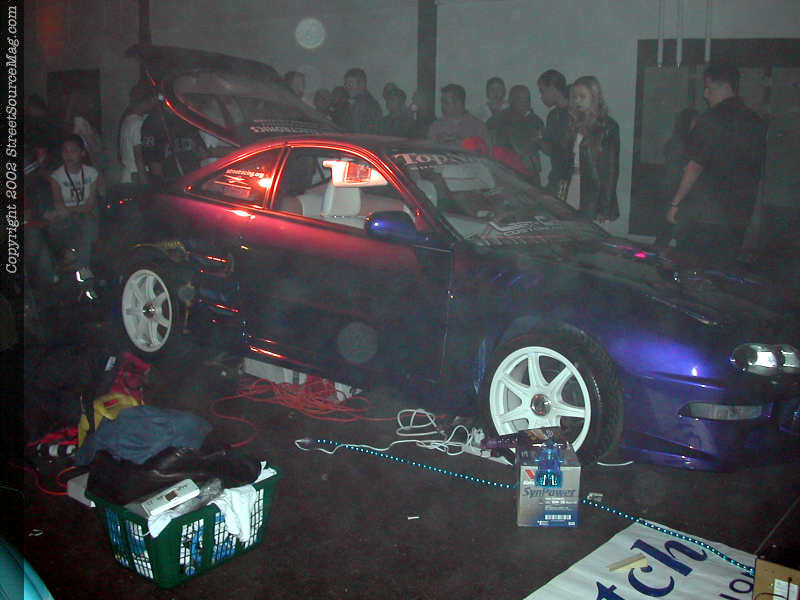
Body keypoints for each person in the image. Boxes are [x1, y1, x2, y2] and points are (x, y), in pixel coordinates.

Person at [666, 63, 767, 265]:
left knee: (692, 268)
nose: (705, 94)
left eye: (708, 87)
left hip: (704, 215)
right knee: (723, 271)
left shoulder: (711, 119)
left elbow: (695, 165)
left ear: (725, 86)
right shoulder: (755, 121)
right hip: (738, 215)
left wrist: (675, 203)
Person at [565, 76, 620, 223]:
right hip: (574, 184)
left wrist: (604, 207)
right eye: (574, 97)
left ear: (595, 98)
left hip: (594, 191)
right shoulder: (574, 123)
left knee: (589, 233)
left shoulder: (607, 127)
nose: (577, 101)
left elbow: (610, 171)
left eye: (582, 97)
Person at [47, 135, 102, 280]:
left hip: (84, 215)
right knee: (55, 226)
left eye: (73, 151)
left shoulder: (92, 173)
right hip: (67, 217)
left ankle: (82, 267)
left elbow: (90, 205)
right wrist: (74, 210)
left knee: (88, 226)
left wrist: (71, 210)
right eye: (65, 151)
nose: (69, 155)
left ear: (82, 153)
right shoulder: (56, 176)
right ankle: (64, 264)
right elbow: (59, 205)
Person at [653, 108, 699, 250]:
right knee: (669, 232)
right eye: (695, 122)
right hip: (675, 192)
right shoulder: (678, 143)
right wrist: (675, 198)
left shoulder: (685, 142)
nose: (698, 125)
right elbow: (674, 171)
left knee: (671, 233)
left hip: (677, 192)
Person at [488, 84, 544, 184]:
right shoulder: (497, 120)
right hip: (507, 174)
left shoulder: (535, 120)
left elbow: (542, 145)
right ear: (510, 100)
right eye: (520, 99)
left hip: (531, 174)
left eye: (527, 99)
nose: (524, 103)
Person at [537, 69, 572, 195]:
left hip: (570, 180)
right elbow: (552, 151)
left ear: (552, 88)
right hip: (557, 179)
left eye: (542, 91)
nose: (541, 97)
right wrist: (538, 141)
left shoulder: (575, 114)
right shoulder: (553, 115)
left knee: (563, 204)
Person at [427, 83, 489, 149]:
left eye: (446, 103)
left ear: (459, 103)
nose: (442, 106)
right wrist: (436, 142)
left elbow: (488, 152)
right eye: (442, 102)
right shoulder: (436, 126)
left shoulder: (478, 127)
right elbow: (428, 150)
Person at [118, 83, 156, 184]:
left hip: (128, 173)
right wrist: (144, 182)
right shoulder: (137, 123)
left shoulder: (128, 120)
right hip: (136, 175)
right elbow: (138, 155)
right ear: (146, 101)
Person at [343, 68, 383, 134]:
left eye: (350, 84)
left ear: (362, 84)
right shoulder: (364, 102)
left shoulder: (366, 104)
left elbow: (358, 133)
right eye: (345, 84)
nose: (346, 87)